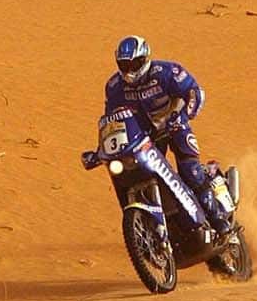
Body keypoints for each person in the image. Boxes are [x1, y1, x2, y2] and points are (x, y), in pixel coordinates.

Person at [84, 35, 230, 233]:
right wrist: (101, 150)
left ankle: (218, 218)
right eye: (124, 65)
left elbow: (194, 92)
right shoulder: (114, 86)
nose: (130, 70)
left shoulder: (167, 72)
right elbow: (112, 121)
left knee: (191, 171)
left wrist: (183, 115)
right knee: (136, 173)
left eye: (135, 64)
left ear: (145, 58)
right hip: (143, 137)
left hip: (175, 126)